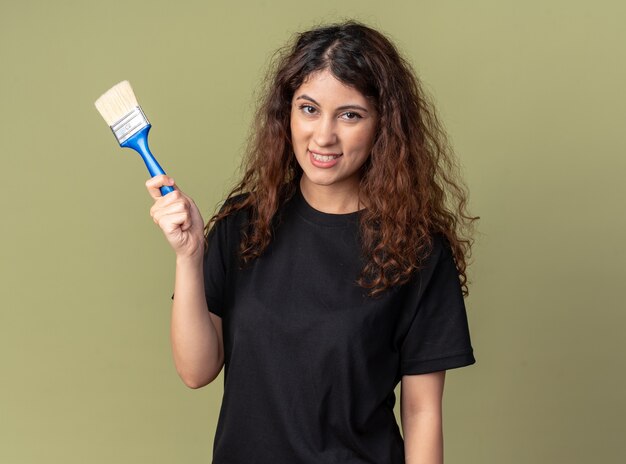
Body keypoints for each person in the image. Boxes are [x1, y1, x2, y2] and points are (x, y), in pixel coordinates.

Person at [146, 21, 477, 464]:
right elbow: (196, 370)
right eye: (308, 109)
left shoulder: (417, 251)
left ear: (384, 126)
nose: (324, 136)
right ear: (286, 114)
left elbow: (422, 414)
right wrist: (189, 258)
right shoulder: (244, 224)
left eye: (350, 115)